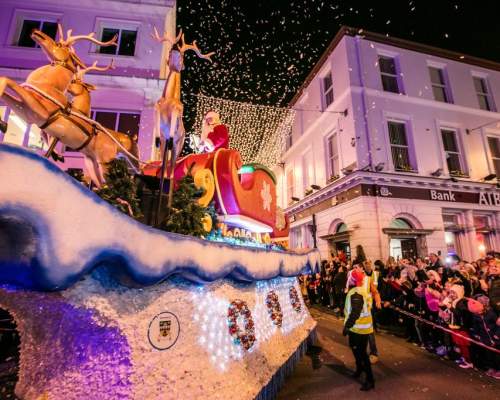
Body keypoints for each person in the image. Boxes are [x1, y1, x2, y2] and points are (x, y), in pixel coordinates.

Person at [343, 269, 375, 391]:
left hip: (360, 329)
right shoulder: (358, 290)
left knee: (362, 354)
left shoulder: (356, 293)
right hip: (358, 328)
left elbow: (355, 312)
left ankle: (370, 380)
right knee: (355, 349)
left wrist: (347, 326)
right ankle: (359, 368)